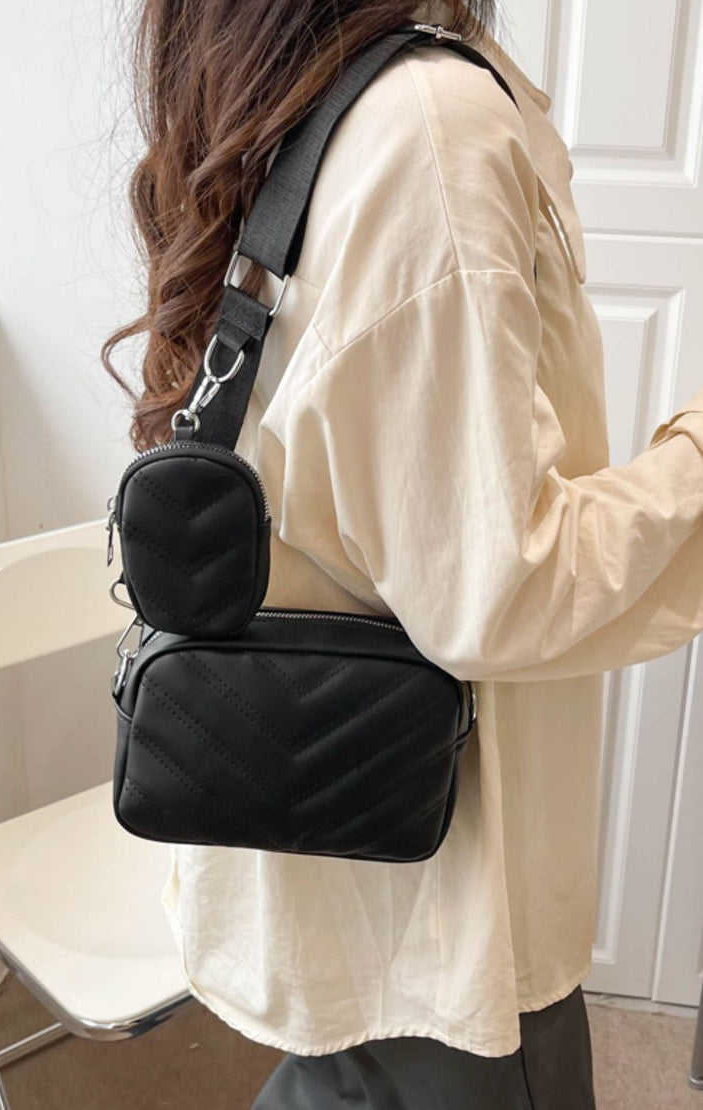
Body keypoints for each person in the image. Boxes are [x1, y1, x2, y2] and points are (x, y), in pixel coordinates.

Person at [103, 0, 703, 1106]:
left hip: (330, 837)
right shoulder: (427, 124)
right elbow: (498, 588)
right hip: (438, 898)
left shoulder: (307, 87)